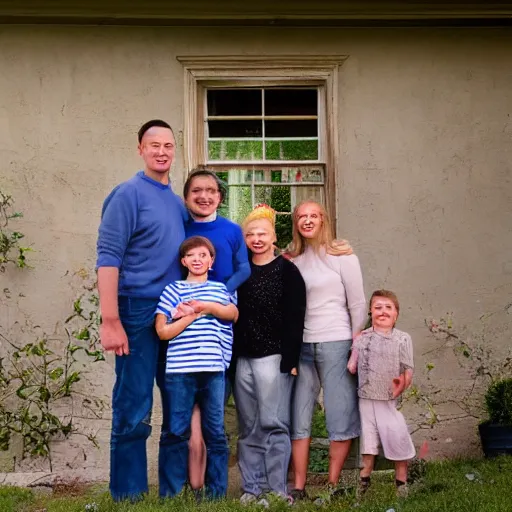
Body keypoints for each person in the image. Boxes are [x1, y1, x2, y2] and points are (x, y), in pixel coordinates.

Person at [96, 120, 186, 502]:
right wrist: (110, 318)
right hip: (135, 309)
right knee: (134, 404)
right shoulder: (128, 194)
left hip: (174, 310)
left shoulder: (177, 202)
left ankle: (172, 492)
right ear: (140, 149)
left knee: (177, 399)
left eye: (168, 145)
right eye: (154, 145)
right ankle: (128, 496)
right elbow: (108, 258)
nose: (162, 152)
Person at [287, 200, 367, 502]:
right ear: (296, 223)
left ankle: (332, 485)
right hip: (302, 346)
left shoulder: (342, 256)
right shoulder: (293, 259)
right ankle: (299, 486)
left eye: (313, 216)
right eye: (301, 216)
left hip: (337, 341)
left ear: (323, 220)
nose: (307, 221)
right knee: (299, 413)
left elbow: (357, 303)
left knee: (339, 411)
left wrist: (354, 344)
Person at [180, 168, 250, 491]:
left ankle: (214, 485)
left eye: (211, 191)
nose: (204, 196)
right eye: (197, 191)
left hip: (219, 320)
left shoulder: (232, 230)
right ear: (187, 197)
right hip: (185, 322)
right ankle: (189, 481)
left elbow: (243, 268)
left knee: (214, 404)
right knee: (185, 411)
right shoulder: (179, 227)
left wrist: (220, 292)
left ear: (220, 197)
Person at [233, 204, 306, 505]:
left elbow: (295, 317)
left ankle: (276, 490)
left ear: (274, 237)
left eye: (262, 233)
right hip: (243, 359)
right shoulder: (240, 271)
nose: (257, 239)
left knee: (273, 423)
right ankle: (252, 488)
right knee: (248, 425)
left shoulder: (287, 271)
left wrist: (290, 359)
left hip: (273, 358)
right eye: (251, 234)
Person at [155, 236, 238, 499]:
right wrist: (191, 316)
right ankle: (172, 493)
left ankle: (216, 495)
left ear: (211, 261)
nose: (198, 259)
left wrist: (205, 307)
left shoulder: (219, 289)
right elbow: (162, 331)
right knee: (175, 431)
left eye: (203, 255)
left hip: (213, 371)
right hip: (181, 371)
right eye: (192, 255)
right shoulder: (173, 290)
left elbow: (233, 314)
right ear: (183, 261)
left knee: (215, 432)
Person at [347, 289, 415, 498]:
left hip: (388, 399)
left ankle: (401, 482)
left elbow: (408, 369)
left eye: (388, 308)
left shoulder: (402, 339)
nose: (382, 312)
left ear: (396, 314)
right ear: (370, 312)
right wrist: (354, 351)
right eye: (378, 308)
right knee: (368, 439)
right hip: (366, 398)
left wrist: (400, 384)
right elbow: (352, 366)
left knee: (396, 434)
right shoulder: (363, 338)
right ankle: (364, 481)